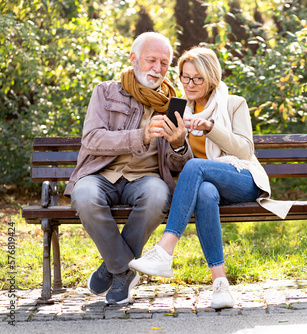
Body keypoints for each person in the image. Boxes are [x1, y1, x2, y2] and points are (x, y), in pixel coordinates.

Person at [128, 46, 292, 309]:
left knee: (196, 168)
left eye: (197, 78)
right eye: (184, 77)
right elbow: (175, 161)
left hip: (242, 178)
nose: (189, 84)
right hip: (206, 185)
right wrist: (178, 143)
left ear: (211, 77)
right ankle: (220, 286)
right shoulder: (178, 109)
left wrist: (210, 128)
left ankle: (165, 250)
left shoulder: (233, 103)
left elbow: (245, 150)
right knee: (204, 190)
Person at [66, 32, 193, 305]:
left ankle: (111, 266)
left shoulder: (174, 104)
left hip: (146, 179)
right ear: (133, 59)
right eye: (151, 60)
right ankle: (123, 270)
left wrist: (180, 144)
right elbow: (92, 139)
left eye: (164, 63)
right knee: (84, 195)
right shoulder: (105, 91)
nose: (158, 69)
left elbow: (178, 164)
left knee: (158, 196)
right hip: (102, 174)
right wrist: (141, 136)